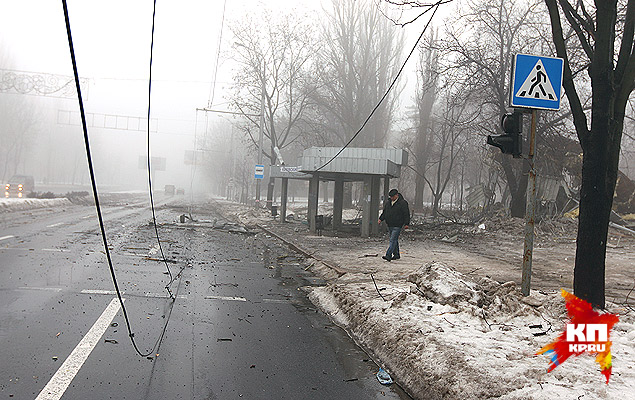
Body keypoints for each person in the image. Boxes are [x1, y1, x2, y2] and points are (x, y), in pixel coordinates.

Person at [378, 189, 410, 261]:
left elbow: (406, 214)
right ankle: (396, 254)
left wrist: (406, 223)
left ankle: (388, 255)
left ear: (397, 195)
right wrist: (381, 219)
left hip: (398, 224)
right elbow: (385, 212)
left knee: (392, 240)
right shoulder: (388, 203)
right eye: (391, 197)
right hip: (390, 224)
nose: (391, 198)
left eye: (393, 196)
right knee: (394, 240)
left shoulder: (403, 203)